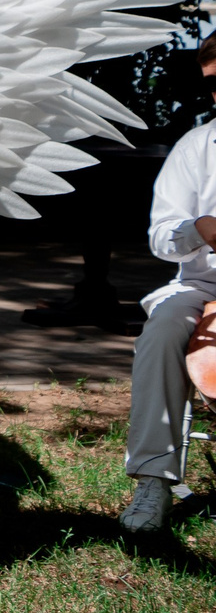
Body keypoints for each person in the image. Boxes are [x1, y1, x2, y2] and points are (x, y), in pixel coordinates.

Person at [121, 31, 216, 534]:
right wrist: (198, 230)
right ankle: (153, 481)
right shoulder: (197, 146)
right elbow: (161, 236)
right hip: (204, 285)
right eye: (214, 83)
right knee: (161, 331)